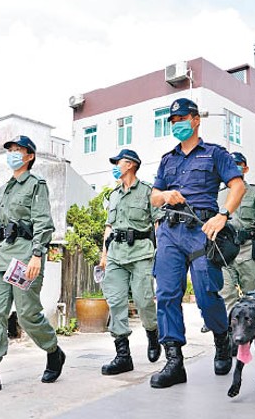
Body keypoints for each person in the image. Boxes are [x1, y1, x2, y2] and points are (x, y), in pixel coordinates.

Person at [149, 98, 246, 388]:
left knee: (206, 293)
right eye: (173, 121)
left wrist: (223, 215)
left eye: (182, 119)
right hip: (169, 230)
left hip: (203, 231)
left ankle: (220, 336)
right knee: (166, 294)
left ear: (195, 119)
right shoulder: (168, 159)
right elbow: (154, 195)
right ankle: (174, 361)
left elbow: (237, 186)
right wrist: (166, 196)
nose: (177, 125)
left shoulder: (215, 154)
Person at [0, 135, 64, 394]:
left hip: (25, 257)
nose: (13, 154)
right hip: (1, 256)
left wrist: (38, 255)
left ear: (29, 156)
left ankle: (53, 351)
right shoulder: (4, 188)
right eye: (11, 150)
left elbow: (44, 223)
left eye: (19, 150)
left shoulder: (36, 184)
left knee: (28, 315)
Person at [99, 149, 162, 375]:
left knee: (144, 300)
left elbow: (158, 223)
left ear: (131, 165)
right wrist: (104, 255)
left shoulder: (147, 191)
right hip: (115, 254)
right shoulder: (114, 195)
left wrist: (161, 252)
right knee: (115, 302)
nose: (115, 166)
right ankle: (123, 355)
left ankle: (153, 333)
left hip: (141, 253)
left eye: (119, 162)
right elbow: (109, 226)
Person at [218, 152, 255, 309]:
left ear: (245, 168)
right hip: (225, 251)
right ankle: (231, 332)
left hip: (248, 250)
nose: (233, 167)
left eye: (237, 164)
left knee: (254, 296)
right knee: (226, 295)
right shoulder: (218, 195)